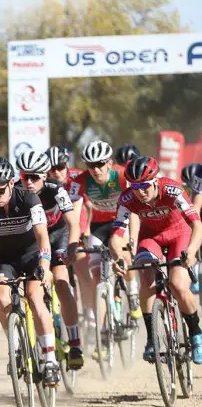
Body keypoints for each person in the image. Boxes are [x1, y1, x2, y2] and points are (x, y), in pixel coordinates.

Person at [0, 156, 60, 386]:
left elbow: (42, 237)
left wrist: (45, 267)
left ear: (12, 183)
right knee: (1, 298)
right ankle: (16, 344)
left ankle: (50, 359)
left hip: (32, 256)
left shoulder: (29, 198)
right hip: (6, 259)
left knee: (34, 297)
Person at [109, 156, 202, 364]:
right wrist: (119, 258)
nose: (140, 192)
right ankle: (152, 339)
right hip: (151, 238)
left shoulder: (172, 190)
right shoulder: (127, 199)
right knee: (146, 279)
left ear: (155, 181)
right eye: (134, 186)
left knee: (177, 284)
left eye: (144, 186)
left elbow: (197, 224)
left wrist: (193, 251)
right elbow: (116, 235)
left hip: (180, 234)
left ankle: (196, 332)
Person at [16, 150, 84, 369]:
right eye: (25, 176)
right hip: (33, 241)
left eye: (35, 177)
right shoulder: (15, 190)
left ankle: (75, 342)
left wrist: (73, 246)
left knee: (62, 281)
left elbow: (73, 223)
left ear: (45, 176)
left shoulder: (57, 190)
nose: (29, 182)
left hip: (58, 237)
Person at [69, 141, 142, 338]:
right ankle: (102, 328)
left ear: (110, 163)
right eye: (91, 165)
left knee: (123, 256)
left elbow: (134, 210)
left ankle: (133, 293)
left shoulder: (122, 175)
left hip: (121, 221)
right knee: (95, 274)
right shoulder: (80, 181)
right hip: (98, 226)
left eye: (100, 164)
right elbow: (75, 214)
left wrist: (133, 238)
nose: (96, 169)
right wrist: (74, 241)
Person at [46, 145, 94, 326]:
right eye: (52, 169)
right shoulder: (46, 183)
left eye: (60, 167)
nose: (57, 172)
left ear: (67, 165)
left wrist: (86, 230)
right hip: (58, 231)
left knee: (82, 271)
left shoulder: (76, 178)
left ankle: (89, 312)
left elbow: (89, 207)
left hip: (77, 226)